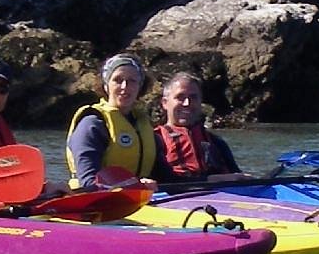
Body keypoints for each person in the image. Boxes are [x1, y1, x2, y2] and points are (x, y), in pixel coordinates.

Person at [64, 53, 156, 188]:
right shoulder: (92, 123)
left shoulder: (142, 122)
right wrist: (135, 187)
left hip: (138, 199)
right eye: (118, 80)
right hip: (96, 201)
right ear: (106, 85)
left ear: (140, 86)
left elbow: (162, 175)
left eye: (132, 81)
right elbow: (89, 183)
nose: (125, 86)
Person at [151, 71, 245, 186]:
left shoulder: (216, 142)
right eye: (180, 97)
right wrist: (211, 180)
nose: (187, 103)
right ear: (165, 103)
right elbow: (163, 180)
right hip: (175, 198)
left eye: (193, 97)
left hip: (220, 197)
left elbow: (236, 177)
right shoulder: (154, 141)